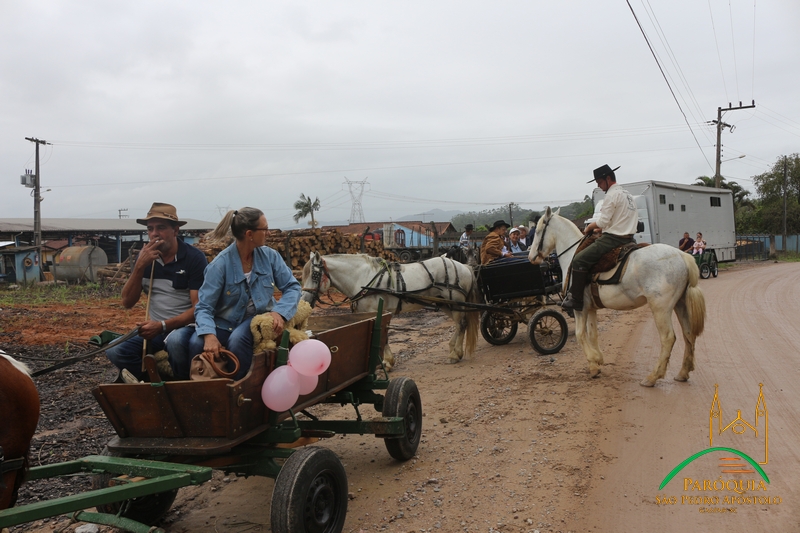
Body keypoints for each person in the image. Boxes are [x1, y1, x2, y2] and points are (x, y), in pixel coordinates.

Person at [189, 207, 301, 380]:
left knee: (238, 339)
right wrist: (209, 335)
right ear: (250, 234)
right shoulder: (219, 266)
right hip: (226, 322)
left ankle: (240, 390)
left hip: (258, 318)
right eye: (265, 229)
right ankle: (202, 389)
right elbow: (203, 307)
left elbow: (292, 287)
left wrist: (280, 312)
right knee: (195, 343)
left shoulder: (270, 257)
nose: (268, 233)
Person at [105, 203, 207, 381]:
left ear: (176, 230)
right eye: (150, 229)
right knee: (114, 349)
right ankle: (152, 383)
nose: (154, 234)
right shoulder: (145, 259)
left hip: (185, 328)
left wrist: (163, 325)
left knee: (176, 342)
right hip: (156, 331)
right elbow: (127, 302)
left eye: (161, 227)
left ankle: (183, 386)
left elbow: (199, 309)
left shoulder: (194, 258)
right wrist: (139, 267)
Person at [562, 165, 638, 312]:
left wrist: (590, 227)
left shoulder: (611, 195)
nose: (598, 185)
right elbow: (616, 220)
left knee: (579, 259)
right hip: (629, 238)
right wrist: (601, 228)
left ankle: (576, 300)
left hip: (613, 239)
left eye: (599, 182)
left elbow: (603, 221)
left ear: (608, 178)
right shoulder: (628, 195)